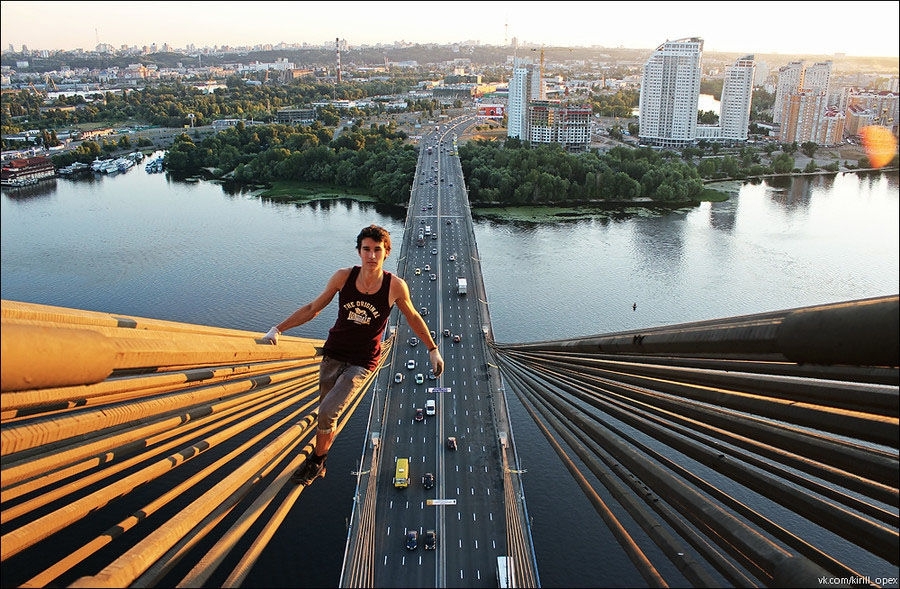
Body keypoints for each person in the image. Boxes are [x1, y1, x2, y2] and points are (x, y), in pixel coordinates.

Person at [262, 224, 444, 485]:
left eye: (377, 250)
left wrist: (433, 349)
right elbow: (313, 308)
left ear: (386, 253)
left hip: (362, 361)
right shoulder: (343, 277)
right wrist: (277, 329)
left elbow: (413, 318)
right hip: (333, 354)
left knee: (325, 413)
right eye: (366, 249)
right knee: (327, 416)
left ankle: (317, 461)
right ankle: (322, 456)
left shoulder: (395, 286)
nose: (371, 255)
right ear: (359, 252)